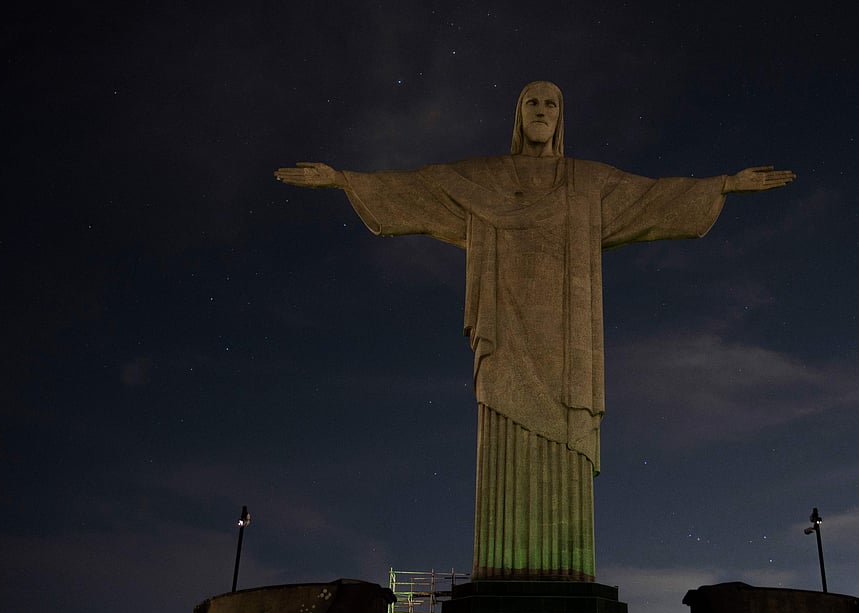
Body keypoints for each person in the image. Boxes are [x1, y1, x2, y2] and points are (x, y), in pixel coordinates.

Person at [275, 81, 794, 582]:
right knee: (502, 428)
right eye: (532, 103)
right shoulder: (485, 178)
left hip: (568, 345)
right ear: (519, 115)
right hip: (503, 331)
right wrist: (344, 179)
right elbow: (421, 186)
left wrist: (724, 184)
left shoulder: (589, 182)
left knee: (565, 440)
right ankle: (500, 568)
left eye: (551, 103)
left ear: (560, 117)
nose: (542, 110)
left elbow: (652, 198)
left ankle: (565, 569)